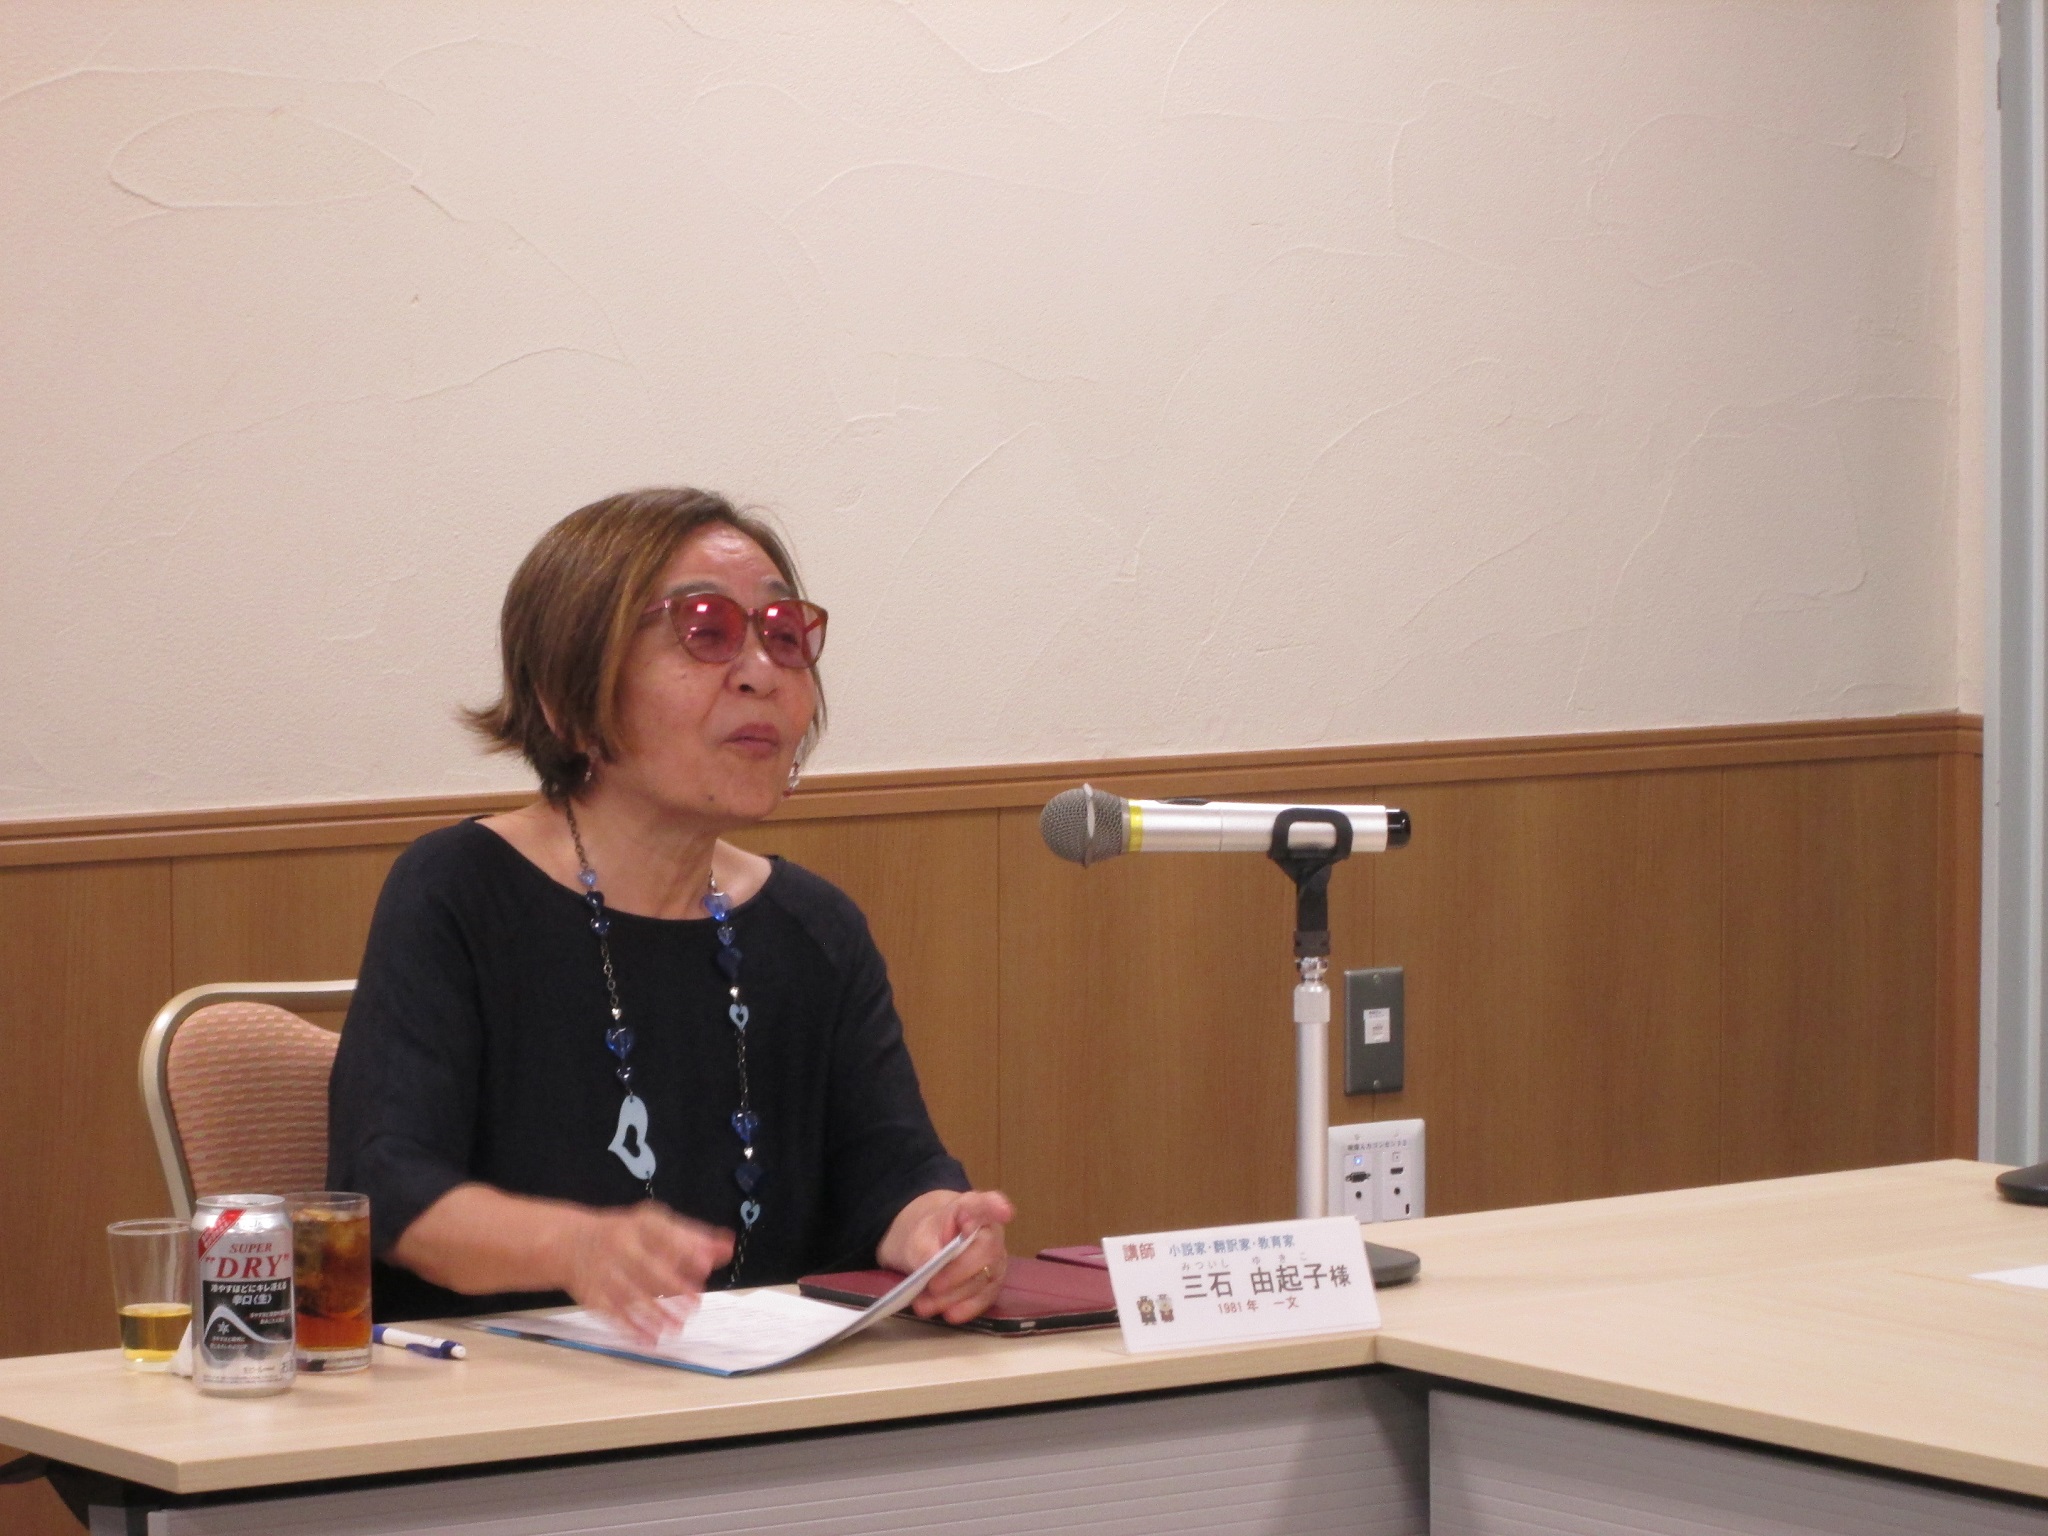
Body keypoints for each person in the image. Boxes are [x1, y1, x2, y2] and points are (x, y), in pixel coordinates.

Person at [328, 487, 1013, 1339]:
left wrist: (938, 1230)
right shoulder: (458, 890)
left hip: (775, 1398)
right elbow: (387, 1190)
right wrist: (572, 1247)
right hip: (500, 1398)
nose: (761, 671)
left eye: (784, 634)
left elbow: (893, 1172)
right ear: (568, 694)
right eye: (706, 630)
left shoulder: (816, 929)